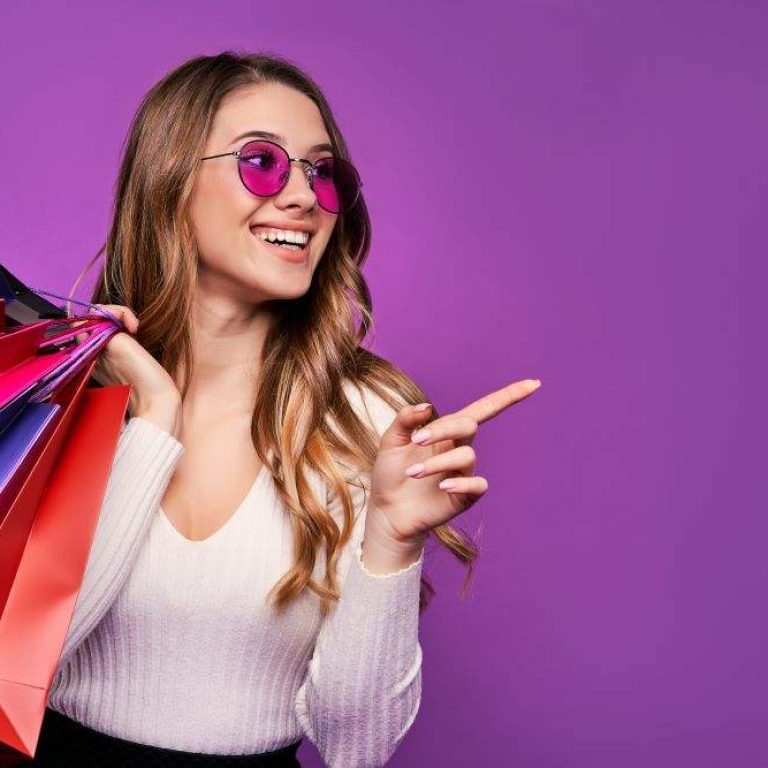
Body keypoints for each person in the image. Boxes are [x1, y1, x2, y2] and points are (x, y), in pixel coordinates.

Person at [31, 51, 541, 767]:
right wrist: (154, 417)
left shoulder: (368, 419)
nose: (303, 196)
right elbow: (19, 667)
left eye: (320, 170)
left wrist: (392, 541)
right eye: (262, 162)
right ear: (171, 180)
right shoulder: (60, 388)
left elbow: (355, 747)